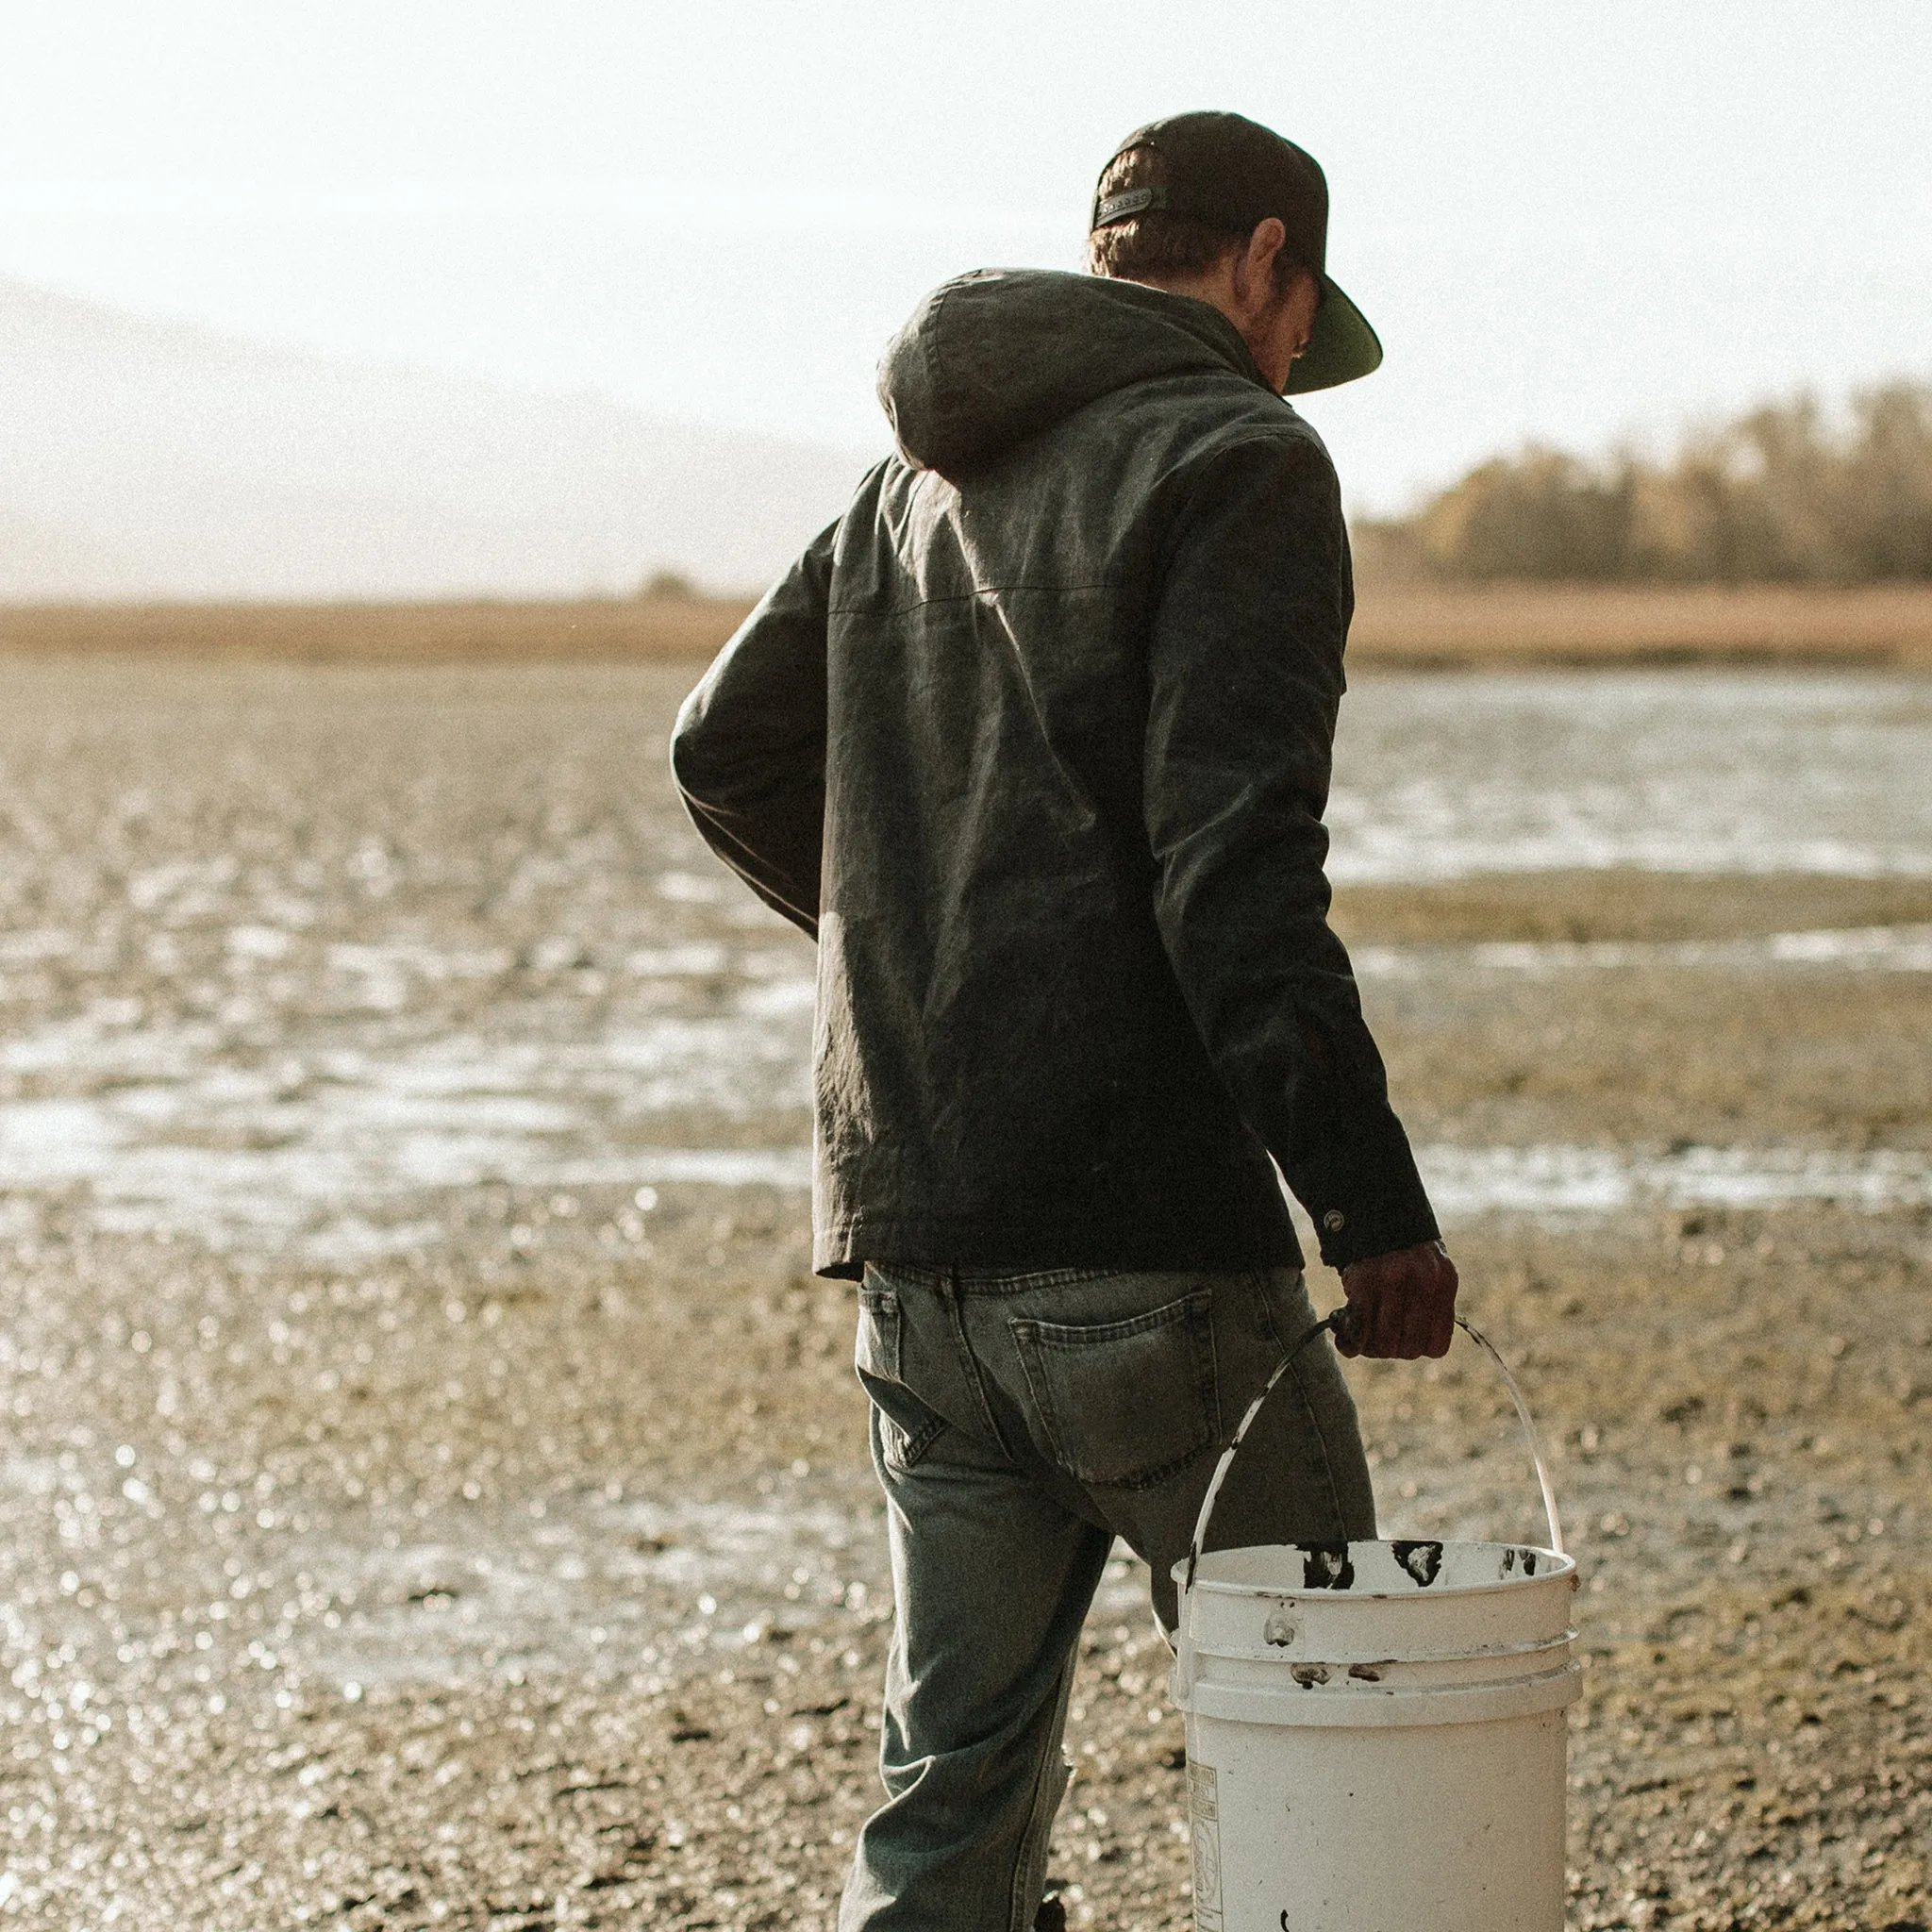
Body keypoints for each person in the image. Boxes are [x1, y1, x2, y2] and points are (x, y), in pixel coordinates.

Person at [673, 108, 1458, 1932]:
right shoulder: (1241, 457)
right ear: (1268, 261)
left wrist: (926, 961)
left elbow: (721, 752)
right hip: (1149, 1250)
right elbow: (1238, 876)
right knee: (1328, 1744)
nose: (1293, 366)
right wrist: (1374, 1211)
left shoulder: (902, 487)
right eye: (1298, 317)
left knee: (948, 1790)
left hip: (916, 1247)